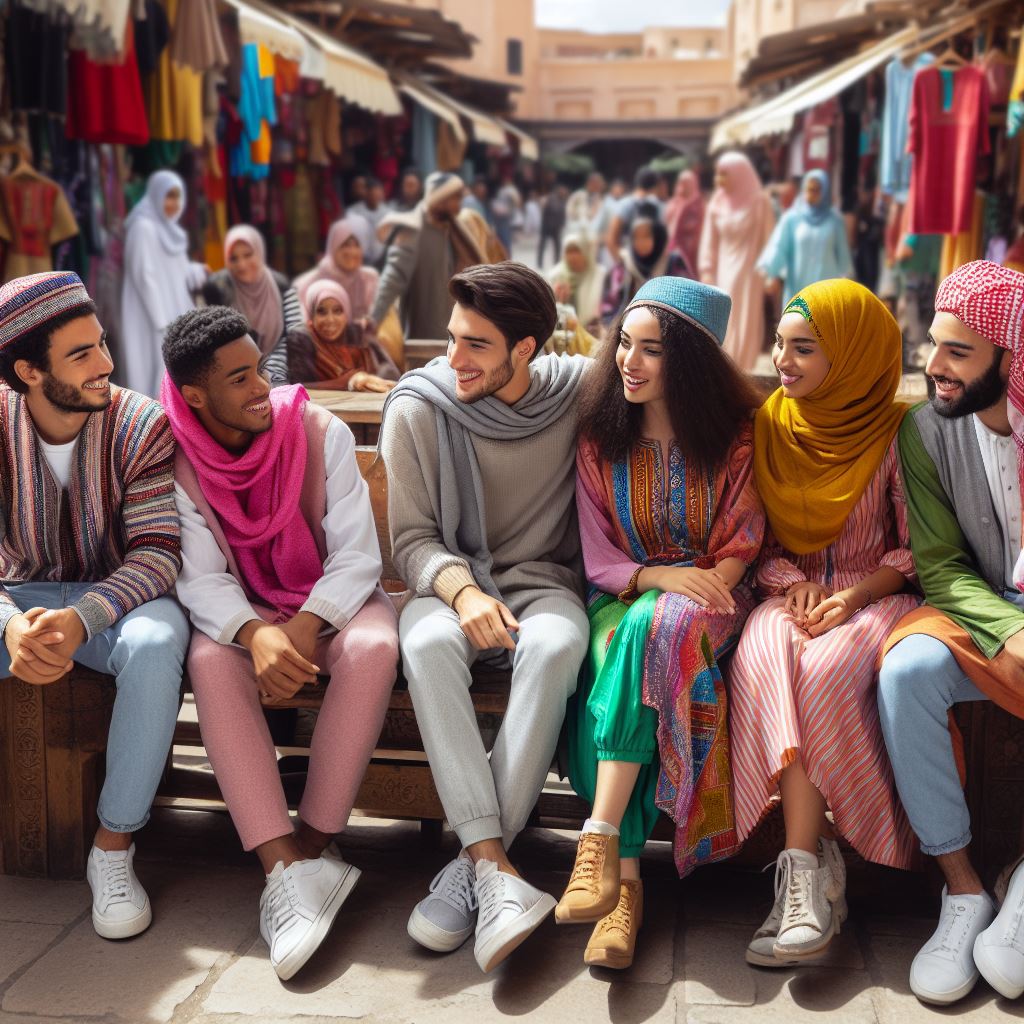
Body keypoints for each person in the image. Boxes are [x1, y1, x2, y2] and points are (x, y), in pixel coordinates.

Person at [161, 305, 398, 981]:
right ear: (196, 395)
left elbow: (357, 557)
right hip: (247, 612)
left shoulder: (314, 428)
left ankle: (314, 847)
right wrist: (254, 635)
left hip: (335, 602)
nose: (262, 388)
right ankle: (283, 871)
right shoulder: (179, 462)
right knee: (210, 659)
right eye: (238, 380)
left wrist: (296, 630)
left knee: (377, 648)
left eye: (259, 369)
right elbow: (199, 576)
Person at [379, 261, 590, 973]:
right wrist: (465, 593)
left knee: (559, 647)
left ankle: (470, 871)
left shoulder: (576, 393)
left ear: (526, 349)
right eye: (452, 338)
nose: (454, 359)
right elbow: (411, 541)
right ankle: (494, 866)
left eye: (476, 345)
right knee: (432, 647)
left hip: (542, 587)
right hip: (447, 588)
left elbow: (660, 355)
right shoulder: (419, 407)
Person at [562, 276, 764, 969]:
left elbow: (741, 541)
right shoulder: (598, 438)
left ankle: (604, 853)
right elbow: (598, 553)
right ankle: (621, 886)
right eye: (624, 343)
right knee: (612, 655)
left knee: (654, 634)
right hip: (624, 592)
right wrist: (652, 581)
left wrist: (690, 586)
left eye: (652, 350)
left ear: (692, 362)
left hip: (714, 599)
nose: (629, 361)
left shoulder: (736, 439)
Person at [728, 280, 920, 968]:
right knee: (761, 654)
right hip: (792, 593)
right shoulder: (768, 426)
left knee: (828, 669)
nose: (783, 360)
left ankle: (805, 870)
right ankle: (806, 871)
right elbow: (754, 540)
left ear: (853, 354)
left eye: (803, 348)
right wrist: (796, 583)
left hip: (877, 595)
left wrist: (855, 595)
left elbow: (919, 546)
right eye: (780, 344)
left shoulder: (898, 431)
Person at [0, 271, 188, 939]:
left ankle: (113, 848)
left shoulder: (141, 424)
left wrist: (85, 617)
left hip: (115, 604)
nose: (107, 363)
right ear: (27, 370)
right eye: (81, 354)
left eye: (102, 343)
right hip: (12, 599)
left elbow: (160, 554)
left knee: (160, 642)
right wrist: (11, 624)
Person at [877, 260, 1024, 1006]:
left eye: (958, 352)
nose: (932, 366)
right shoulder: (924, 432)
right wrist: (1009, 633)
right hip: (980, 614)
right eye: (932, 343)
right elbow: (939, 566)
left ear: (1012, 356)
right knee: (904, 673)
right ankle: (964, 891)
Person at [120, 169, 206, 398]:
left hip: (173, 315)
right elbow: (143, 275)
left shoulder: (170, 231)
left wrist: (197, 271)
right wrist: (162, 322)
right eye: (169, 196)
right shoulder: (142, 228)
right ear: (156, 195)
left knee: (172, 371)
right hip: (153, 318)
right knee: (154, 371)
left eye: (178, 197)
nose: (174, 204)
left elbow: (175, 270)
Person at [370, 172, 484, 341]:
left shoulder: (452, 227)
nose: (459, 206)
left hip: (454, 326)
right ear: (441, 198)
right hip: (425, 333)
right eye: (455, 199)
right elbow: (393, 278)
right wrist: (374, 319)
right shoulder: (412, 230)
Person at [698, 152, 775, 373]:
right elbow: (708, 242)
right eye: (718, 174)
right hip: (723, 274)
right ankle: (726, 371)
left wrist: (771, 274)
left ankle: (742, 373)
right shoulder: (717, 202)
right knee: (724, 320)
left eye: (725, 174)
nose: (720, 180)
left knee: (747, 324)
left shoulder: (760, 202)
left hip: (751, 275)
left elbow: (770, 240)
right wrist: (706, 271)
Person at [202, 225, 302, 386]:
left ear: (260, 252)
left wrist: (272, 373)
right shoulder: (217, 288)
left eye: (248, 255)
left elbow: (295, 332)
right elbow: (216, 342)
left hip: (280, 372)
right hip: (234, 375)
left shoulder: (281, 285)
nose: (242, 265)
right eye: (234, 258)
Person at [758, 170, 854, 306]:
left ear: (825, 192)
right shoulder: (791, 218)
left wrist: (847, 281)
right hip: (797, 285)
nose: (811, 194)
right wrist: (772, 273)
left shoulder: (834, 220)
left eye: (816, 190)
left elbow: (843, 254)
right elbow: (779, 247)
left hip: (826, 289)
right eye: (809, 189)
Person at [287, 280, 399, 393]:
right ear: (311, 313)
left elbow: (389, 375)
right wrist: (345, 382)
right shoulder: (301, 338)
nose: (330, 320)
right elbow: (296, 388)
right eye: (321, 311)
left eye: (337, 311)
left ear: (346, 314)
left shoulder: (355, 333)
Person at [601, 207, 685, 323]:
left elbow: (683, 305)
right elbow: (610, 306)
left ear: (658, 237)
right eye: (636, 237)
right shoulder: (624, 267)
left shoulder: (673, 264)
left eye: (646, 236)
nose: (641, 242)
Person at [293, 216, 379, 323]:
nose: (352, 252)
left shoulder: (369, 278)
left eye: (357, 245)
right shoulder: (304, 285)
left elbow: (378, 316)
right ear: (333, 247)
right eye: (345, 245)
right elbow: (301, 326)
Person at [546, 231, 606, 333]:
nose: (573, 256)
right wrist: (557, 302)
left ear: (586, 252)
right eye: (569, 252)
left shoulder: (600, 275)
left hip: (593, 333)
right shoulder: (555, 276)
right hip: (562, 335)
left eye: (577, 251)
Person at [605, 167, 664, 260]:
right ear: (655, 187)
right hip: (631, 258)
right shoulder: (628, 205)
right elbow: (611, 238)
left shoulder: (625, 204)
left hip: (646, 260)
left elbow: (611, 239)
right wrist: (624, 264)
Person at [664, 169, 705, 279]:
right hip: (672, 249)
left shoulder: (697, 206)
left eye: (686, 183)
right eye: (681, 182)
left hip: (692, 251)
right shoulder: (673, 203)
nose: (683, 186)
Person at [347, 177, 389, 264]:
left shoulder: (389, 213)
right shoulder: (353, 212)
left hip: (383, 259)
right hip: (358, 257)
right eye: (372, 195)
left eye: (377, 195)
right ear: (366, 193)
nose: (375, 198)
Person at [537, 185, 569, 269]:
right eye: (562, 191)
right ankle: (540, 263)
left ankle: (557, 263)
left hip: (556, 227)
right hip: (547, 226)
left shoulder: (563, 201)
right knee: (542, 245)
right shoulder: (551, 198)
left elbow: (563, 215)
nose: (564, 193)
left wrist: (562, 224)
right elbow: (549, 207)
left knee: (557, 246)